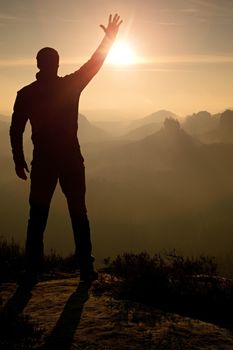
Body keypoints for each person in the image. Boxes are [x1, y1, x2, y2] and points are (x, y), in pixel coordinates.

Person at [10, 14, 122, 286]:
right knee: (78, 213)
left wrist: (18, 160)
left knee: (37, 216)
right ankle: (86, 269)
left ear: (38, 64)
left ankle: (32, 271)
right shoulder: (70, 85)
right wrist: (109, 38)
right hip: (71, 161)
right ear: (57, 64)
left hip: (43, 163)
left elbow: (16, 129)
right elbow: (94, 64)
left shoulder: (26, 93)